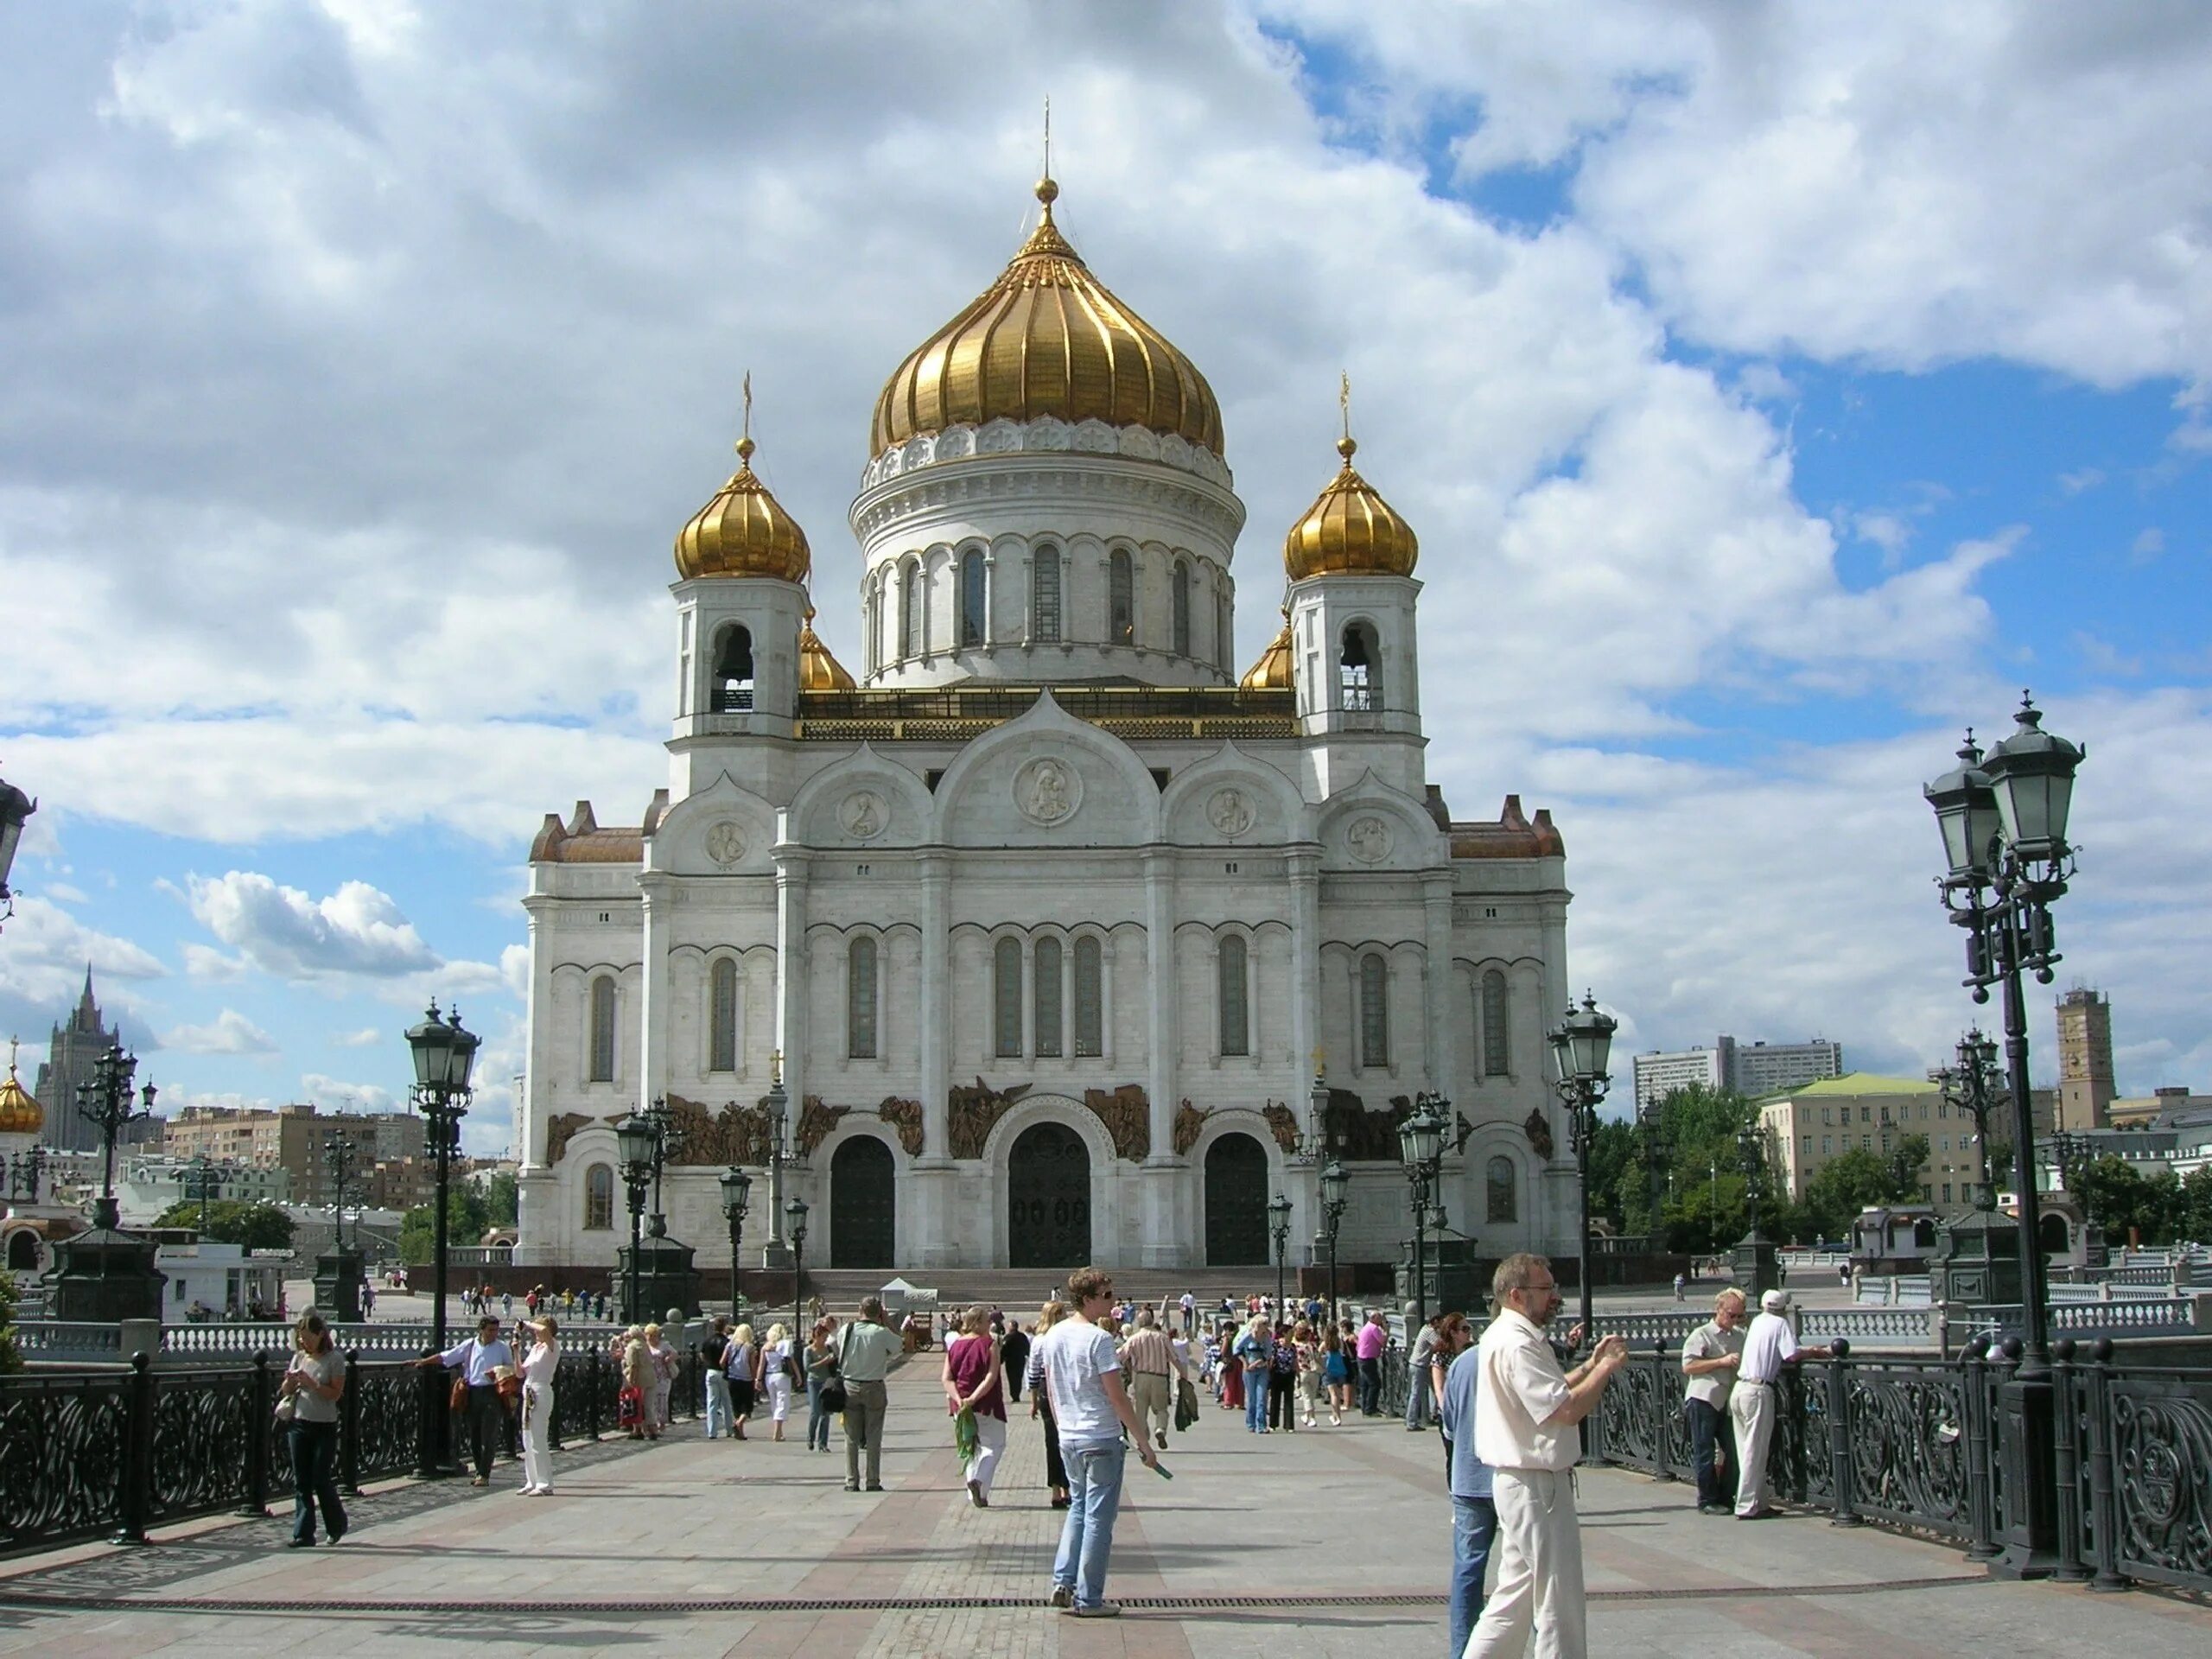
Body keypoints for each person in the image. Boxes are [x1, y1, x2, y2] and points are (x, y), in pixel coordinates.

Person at [1464, 1253, 1630, 1659]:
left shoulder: (1504, 1335)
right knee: (1558, 1598)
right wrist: (1606, 1370)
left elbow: (1549, 1392)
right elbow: (1565, 1410)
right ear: (1518, 1295)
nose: (1555, 1297)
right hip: (1537, 1485)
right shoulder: (1519, 1344)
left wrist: (1590, 1364)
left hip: (1519, 1480)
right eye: (1546, 1289)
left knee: (1513, 1600)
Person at [1037, 1267, 1158, 1618]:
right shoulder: (1100, 1339)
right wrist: (1143, 1442)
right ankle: (1089, 1600)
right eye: (1106, 1295)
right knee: (1098, 1521)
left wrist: (1062, 1428)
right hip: (1101, 1437)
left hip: (1070, 1437)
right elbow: (1118, 1397)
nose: (1113, 1300)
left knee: (1077, 1510)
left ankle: (1063, 1582)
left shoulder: (1054, 1335)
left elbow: (1051, 1388)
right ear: (1087, 1299)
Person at [1732, 1288, 1828, 1520]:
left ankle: (1759, 1502)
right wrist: (1813, 1352)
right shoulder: (1780, 1324)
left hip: (1740, 1389)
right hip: (1758, 1391)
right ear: (1783, 1308)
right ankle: (1745, 1506)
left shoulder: (1757, 1321)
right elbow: (1790, 1355)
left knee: (1745, 1449)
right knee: (1755, 1451)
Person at [1435, 1311, 1492, 1659]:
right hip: (1517, 1479)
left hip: (1469, 1478)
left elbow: (1450, 1426)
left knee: (1468, 1571)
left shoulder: (1463, 1363)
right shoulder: (1528, 1357)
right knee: (1531, 1573)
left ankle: (1462, 1651)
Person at [418, 1314, 513, 1486]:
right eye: (490, 1330)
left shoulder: (502, 1348)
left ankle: (484, 1474)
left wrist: (499, 1371)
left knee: (489, 1435)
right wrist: (424, 1362)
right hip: (473, 1392)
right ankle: (479, 1470)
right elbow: (447, 1357)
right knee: (475, 1435)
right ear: (481, 1329)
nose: (494, 1333)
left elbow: (511, 1369)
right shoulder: (470, 1345)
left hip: (492, 1393)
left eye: (496, 1330)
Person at [281, 1311, 346, 1547]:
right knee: (302, 1481)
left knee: (320, 1478)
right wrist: (290, 1381)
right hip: (300, 1422)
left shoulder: (334, 1359)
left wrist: (313, 1384)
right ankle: (303, 1533)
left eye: (307, 1337)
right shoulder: (299, 1357)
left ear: (320, 1335)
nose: (303, 1342)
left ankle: (336, 1523)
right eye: (301, 1338)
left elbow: (335, 1394)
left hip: (324, 1425)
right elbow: (286, 1391)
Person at [1681, 1288, 1746, 1516]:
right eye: (1731, 1315)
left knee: (1735, 1449)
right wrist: (1721, 1361)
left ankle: (1726, 1495)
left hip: (1727, 1401)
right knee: (1705, 1451)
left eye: (1740, 1315)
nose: (1736, 1320)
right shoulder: (1702, 1334)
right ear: (1718, 1310)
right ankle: (1707, 1499)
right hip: (1703, 1398)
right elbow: (1688, 1366)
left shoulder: (1740, 1336)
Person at [944, 1302, 1007, 1506]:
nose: (991, 1324)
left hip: (960, 1405)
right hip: (985, 1404)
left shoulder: (955, 1345)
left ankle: (977, 1494)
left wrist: (958, 1398)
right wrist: (975, 1397)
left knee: (972, 1448)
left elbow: (946, 1377)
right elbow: (991, 1375)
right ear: (977, 1323)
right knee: (995, 1445)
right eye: (988, 1320)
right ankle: (977, 1481)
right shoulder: (989, 1343)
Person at [838, 1294, 902, 1491]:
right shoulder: (881, 1333)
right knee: (874, 1435)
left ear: (860, 1310)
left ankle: (851, 1480)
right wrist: (888, 1321)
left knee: (851, 1436)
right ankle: (873, 1480)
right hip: (874, 1386)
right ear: (880, 1313)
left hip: (850, 1385)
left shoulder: (846, 1330)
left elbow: (839, 1349)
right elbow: (900, 1346)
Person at [1117, 1305, 1184, 1449]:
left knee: (1140, 1412)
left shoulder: (1134, 1339)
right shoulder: (1163, 1338)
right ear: (1152, 1321)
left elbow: (1121, 1356)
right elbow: (1174, 1358)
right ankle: (1160, 1429)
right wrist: (1183, 1375)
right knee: (1161, 1409)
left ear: (1139, 1323)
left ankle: (1142, 1440)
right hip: (1159, 1377)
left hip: (1140, 1377)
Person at [1028, 1300, 1071, 1508]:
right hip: (1065, 1390)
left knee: (1052, 1443)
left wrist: (1034, 1401)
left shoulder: (1038, 1340)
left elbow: (1033, 1373)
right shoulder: (1067, 1337)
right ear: (1058, 1315)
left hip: (1046, 1391)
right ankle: (1068, 1488)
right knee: (1069, 1440)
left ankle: (1056, 1490)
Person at [518, 1315, 560, 1495]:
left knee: (538, 1437)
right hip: (528, 1391)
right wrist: (516, 1352)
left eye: (538, 1328)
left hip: (541, 1391)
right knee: (527, 1438)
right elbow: (520, 1373)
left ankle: (545, 1483)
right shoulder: (536, 1348)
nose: (535, 1332)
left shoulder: (553, 1346)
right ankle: (532, 1480)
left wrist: (526, 1324)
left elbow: (543, 1331)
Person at [804, 1318, 839, 1451]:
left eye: (826, 1337)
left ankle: (823, 1443)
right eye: (823, 1337)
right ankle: (810, 1438)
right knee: (815, 1412)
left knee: (826, 1413)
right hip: (814, 1381)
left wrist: (832, 1361)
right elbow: (808, 1368)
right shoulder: (809, 1350)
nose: (825, 1340)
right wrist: (823, 1362)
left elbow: (834, 1361)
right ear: (816, 1336)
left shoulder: (828, 1348)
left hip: (827, 1382)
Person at [1235, 1314, 1273, 1433]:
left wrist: (1262, 1361)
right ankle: (1251, 1423)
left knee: (1261, 1397)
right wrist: (1245, 1363)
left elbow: (1269, 1353)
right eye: (1264, 1325)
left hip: (1262, 1369)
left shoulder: (1266, 1337)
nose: (1266, 1327)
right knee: (1252, 1397)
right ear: (1258, 1325)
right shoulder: (1248, 1336)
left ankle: (1261, 1425)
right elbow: (1236, 1349)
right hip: (1249, 1370)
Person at [759, 1322, 795, 1442]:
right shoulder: (784, 1345)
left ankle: (779, 1431)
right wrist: (798, 1376)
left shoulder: (765, 1347)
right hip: (782, 1375)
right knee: (782, 1402)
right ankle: (777, 1432)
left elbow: (761, 1365)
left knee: (774, 1403)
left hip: (769, 1376)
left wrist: (758, 1379)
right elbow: (791, 1361)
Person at [1406, 1313, 1441, 1432]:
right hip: (1419, 1365)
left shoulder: (1426, 1329)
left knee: (1435, 1387)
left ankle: (1433, 1413)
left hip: (1421, 1365)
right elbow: (1439, 1344)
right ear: (1436, 1321)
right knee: (1416, 1393)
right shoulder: (1429, 1331)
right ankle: (1411, 1422)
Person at [701, 1315, 733, 1440]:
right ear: (724, 1326)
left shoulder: (708, 1340)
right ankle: (729, 1429)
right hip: (723, 1372)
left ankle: (712, 1432)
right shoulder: (726, 1342)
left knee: (712, 1402)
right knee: (726, 1402)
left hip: (711, 1371)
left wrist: (708, 1363)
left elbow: (702, 1355)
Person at [644, 1323, 677, 1440]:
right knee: (651, 1402)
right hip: (650, 1377)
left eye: (653, 1335)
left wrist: (669, 1358)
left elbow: (675, 1354)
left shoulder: (664, 1345)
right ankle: (652, 1425)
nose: (651, 1338)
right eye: (649, 1335)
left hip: (663, 1376)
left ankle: (661, 1424)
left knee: (662, 1399)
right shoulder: (645, 1346)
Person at [726, 1322, 757, 1440]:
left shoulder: (730, 1345)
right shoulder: (750, 1347)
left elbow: (722, 1361)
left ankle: (740, 1432)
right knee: (747, 1406)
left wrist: (729, 1368)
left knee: (736, 1405)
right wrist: (755, 1378)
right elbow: (752, 1365)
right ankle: (739, 1424)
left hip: (733, 1378)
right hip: (746, 1379)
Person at [1356, 1311, 1388, 1416]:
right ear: (1374, 1318)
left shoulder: (1366, 1327)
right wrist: (1386, 1331)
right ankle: (1370, 1409)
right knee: (1375, 1384)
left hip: (1362, 1357)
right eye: (1380, 1318)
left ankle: (1365, 1406)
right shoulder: (1374, 1328)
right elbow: (1383, 1342)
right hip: (1368, 1359)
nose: (1381, 1321)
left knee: (1366, 1384)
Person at [1322, 1324, 1351, 1424]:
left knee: (1333, 1395)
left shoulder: (1325, 1343)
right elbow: (1347, 1353)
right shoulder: (1340, 1342)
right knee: (1338, 1394)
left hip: (1329, 1370)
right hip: (1340, 1369)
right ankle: (1335, 1415)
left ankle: (1336, 1416)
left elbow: (1317, 1354)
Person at [1001, 1319, 1031, 1404]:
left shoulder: (1008, 1337)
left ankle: (1014, 1395)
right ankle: (1016, 1394)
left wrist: (1001, 1359)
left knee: (1012, 1378)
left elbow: (1004, 1349)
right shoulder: (1022, 1336)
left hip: (1011, 1361)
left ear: (1012, 1327)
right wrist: (1027, 1354)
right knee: (1018, 1377)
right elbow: (1027, 1346)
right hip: (1020, 1360)